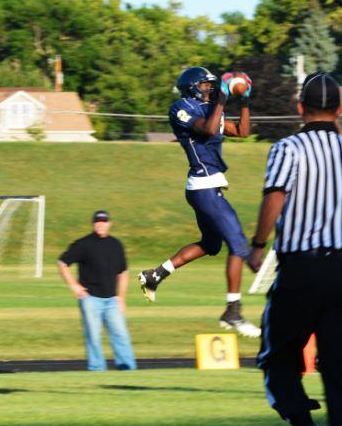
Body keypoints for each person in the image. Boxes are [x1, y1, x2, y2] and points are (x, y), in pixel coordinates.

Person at [248, 72, 342, 426]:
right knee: (341, 369)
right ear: (341, 109)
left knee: (276, 355)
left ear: (301, 109)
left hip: (301, 270)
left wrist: (259, 243)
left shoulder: (288, 149)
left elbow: (276, 195)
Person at [138, 67, 260, 338]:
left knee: (211, 244)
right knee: (239, 245)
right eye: (206, 85)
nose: (211, 89)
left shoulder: (211, 107)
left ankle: (155, 275)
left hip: (207, 186)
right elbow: (205, 129)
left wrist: (245, 100)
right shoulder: (181, 107)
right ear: (193, 87)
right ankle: (233, 311)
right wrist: (223, 100)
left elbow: (242, 131)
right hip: (204, 186)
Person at [57, 210, 137, 371]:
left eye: (104, 221)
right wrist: (74, 285)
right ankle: (96, 369)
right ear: (93, 224)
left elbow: (123, 272)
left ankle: (127, 368)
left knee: (121, 335)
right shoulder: (83, 244)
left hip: (112, 300)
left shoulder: (116, 244)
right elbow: (62, 262)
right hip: (91, 299)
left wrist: (121, 297)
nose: (101, 224)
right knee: (93, 337)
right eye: (98, 221)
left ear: (109, 223)